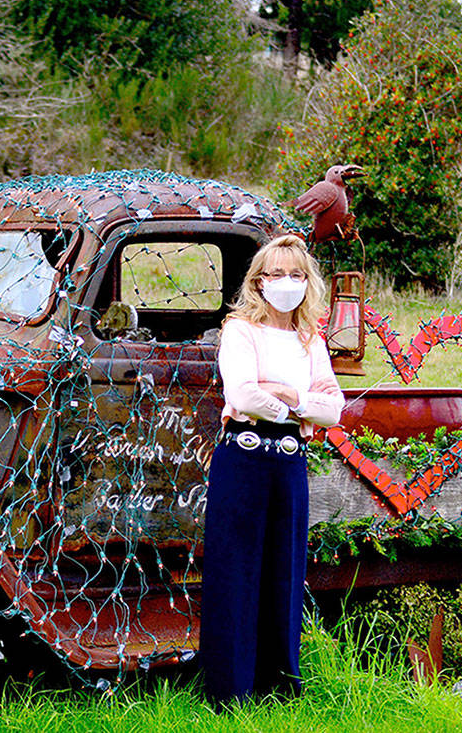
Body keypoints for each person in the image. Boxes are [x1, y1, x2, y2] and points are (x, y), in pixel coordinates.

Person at [199, 233, 345, 707]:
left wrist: (293, 398)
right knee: (236, 569)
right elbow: (242, 396)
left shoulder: (311, 339)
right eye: (277, 274)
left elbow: (334, 409)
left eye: (297, 274)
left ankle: (279, 688)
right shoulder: (241, 330)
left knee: (285, 570)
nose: (287, 283)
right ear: (259, 281)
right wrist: (298, 408)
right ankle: (230, 691)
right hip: (243, 457)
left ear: (309, 282)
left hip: (289, 461)